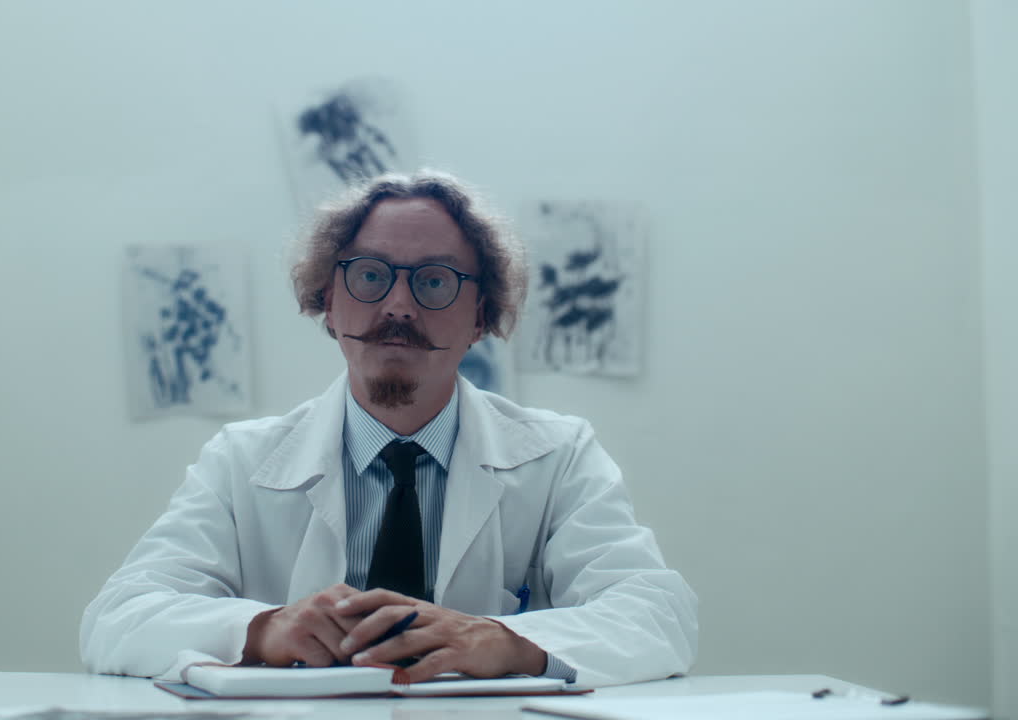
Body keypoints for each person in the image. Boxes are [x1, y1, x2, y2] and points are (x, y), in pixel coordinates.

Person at [80, 171, 698, 688]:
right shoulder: (241, 460)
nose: (398, 306)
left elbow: (657, 617)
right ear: (328, 298)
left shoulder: (558, 456)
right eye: (370, 275)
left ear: (482, 314)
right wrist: (261, 629)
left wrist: (506, 641)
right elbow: (118, 618)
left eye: (433, 281)